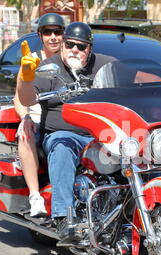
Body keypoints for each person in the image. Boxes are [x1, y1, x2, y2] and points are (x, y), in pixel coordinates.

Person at [15, 22, 116, 237]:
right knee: (62, 145)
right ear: (63, 45)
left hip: (100, 135)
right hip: (63, 134)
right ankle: (63, 217)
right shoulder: (47, 68)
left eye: (81, 46)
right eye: (70, 45)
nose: (75, 50)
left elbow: (135, 78)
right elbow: (26, 98)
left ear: (90, 48)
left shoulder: (105, 65)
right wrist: (26, 76)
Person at [13, 13, 65, 218]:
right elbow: (18, 97)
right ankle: (35, 197)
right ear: (40, 35)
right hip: (37, 120)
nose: (53, 37)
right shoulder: (31, 60)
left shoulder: (70, 57)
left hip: (67, 118)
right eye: (48, 32)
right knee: (25, 134)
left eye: (58, 32)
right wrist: (24, 118)